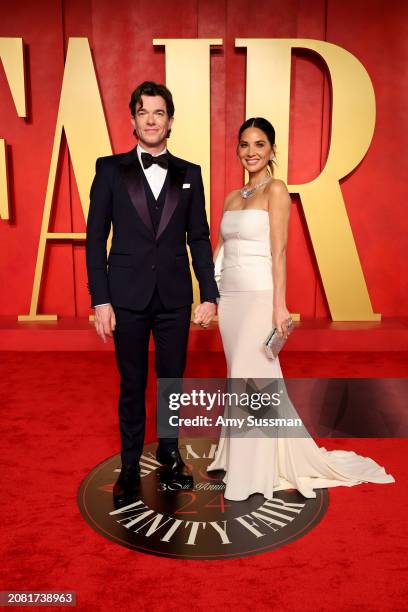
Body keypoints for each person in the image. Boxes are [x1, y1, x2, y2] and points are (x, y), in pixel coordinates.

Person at [207, 117, 395, 501]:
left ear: (272, 150)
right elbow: (220, 252)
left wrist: (280, 307)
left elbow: (278, 251)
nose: (251, 152)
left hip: (260, 296)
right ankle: (246, 458)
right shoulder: (231, 197)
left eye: (260, 144)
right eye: (244, 144)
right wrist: (209, 296)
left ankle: (253, 472)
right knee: (240, 380)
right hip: (230, 301)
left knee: (252, 378)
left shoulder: (277, 190)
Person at [86, 81, 218, 502]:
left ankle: (169, 454)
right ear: (133, 120)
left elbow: (198, 237)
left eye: (159, 113)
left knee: (171, 382)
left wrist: (209, 293)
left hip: (175, 297)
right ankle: (128, 466)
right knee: (131, 382)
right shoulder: (109, 169)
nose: (151, 120)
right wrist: (100, 300)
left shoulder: (190, 174)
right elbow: (95, 239)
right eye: (143, 113)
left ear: (170, 121)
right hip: (125, 295)